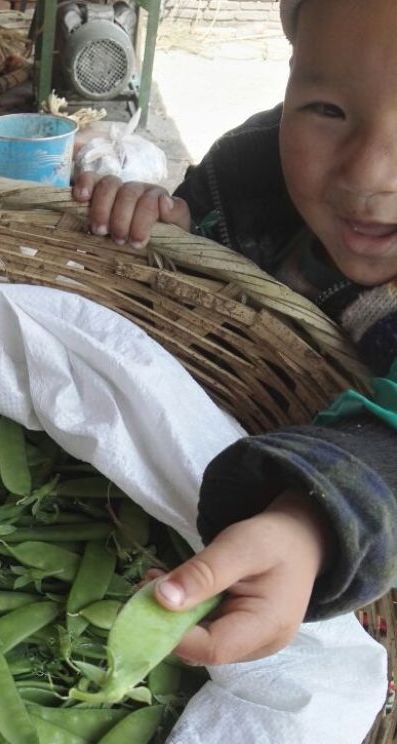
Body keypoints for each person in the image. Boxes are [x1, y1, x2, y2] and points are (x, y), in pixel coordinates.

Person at [73, 0, 397, 667]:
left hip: (355, 561)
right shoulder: (252, 170)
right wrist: (163, 220)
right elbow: (196, 260)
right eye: (326, 110)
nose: (367, 175)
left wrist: (309, 523)